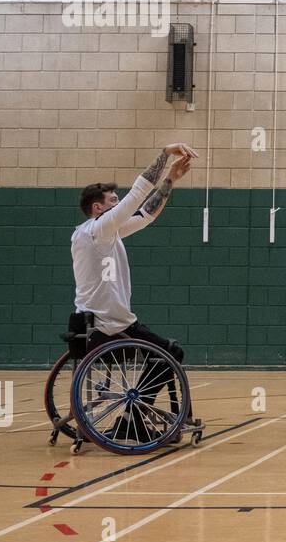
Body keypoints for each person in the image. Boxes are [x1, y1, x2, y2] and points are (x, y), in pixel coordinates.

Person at [71, 142, 199, 441]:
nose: (119, 200)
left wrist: (171, 180)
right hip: (108, 328)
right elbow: (138, 195)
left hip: (109, 323)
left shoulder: (105, 233)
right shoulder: (96, 230)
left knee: (168, 351)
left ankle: (134, 419)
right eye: (113, 198)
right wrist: (166, 154)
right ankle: (133, 420)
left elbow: (145, 215)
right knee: (170, 353)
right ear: (97, 208)